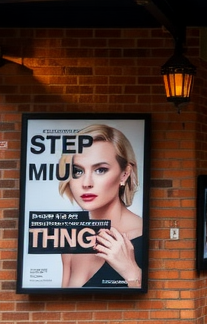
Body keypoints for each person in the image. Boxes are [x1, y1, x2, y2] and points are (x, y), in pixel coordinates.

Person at [58, 124, 144, 289]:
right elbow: (63, 303)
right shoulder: (72, 240)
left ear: (124, 174)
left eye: (100, 170)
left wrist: (131, 271)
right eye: (77, 171)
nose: (86, 183)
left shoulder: (143, 236)